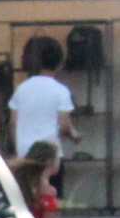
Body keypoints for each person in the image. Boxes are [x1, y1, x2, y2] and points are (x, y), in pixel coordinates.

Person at [7, 42, 78, 188]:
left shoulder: (22, 89)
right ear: (59, 64)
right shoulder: (61, 91)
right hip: (50, 156)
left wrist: (18, 146)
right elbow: (64, 124)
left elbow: (13, 122)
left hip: (25, 153)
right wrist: (72, 135)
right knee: (51, 198)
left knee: (26, 197)